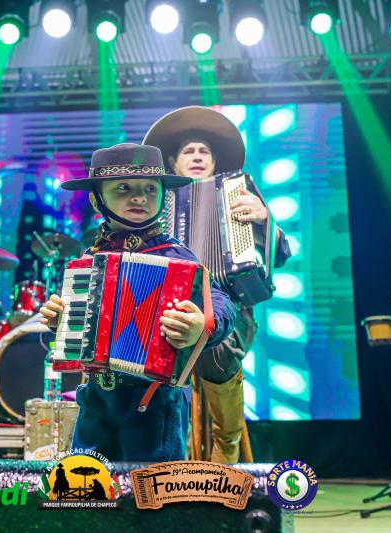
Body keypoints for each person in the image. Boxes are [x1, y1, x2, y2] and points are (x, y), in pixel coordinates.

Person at [40, 143, 236, 463]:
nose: (139, 197)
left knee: (151, 487)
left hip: (156, 404)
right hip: (97, 399)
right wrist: (61, 323)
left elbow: (221, 301)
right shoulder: (90, 259)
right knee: (87, 483)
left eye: (149, 189)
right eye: (123, 188)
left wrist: (202, 324)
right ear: (96, 199)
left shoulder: (177, 256)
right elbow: (82, 333)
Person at [143, 106, 292, 464]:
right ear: (173, 162)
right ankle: (158, 455)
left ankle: (227, 441)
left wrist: (264, 219)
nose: (197, 157)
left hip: (230, 307)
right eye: (188, 152)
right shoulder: (157, 198)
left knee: (216, 347)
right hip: (168, 309)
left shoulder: (237, 191)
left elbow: (281, 252)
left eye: (204, 152)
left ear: (213, 161)